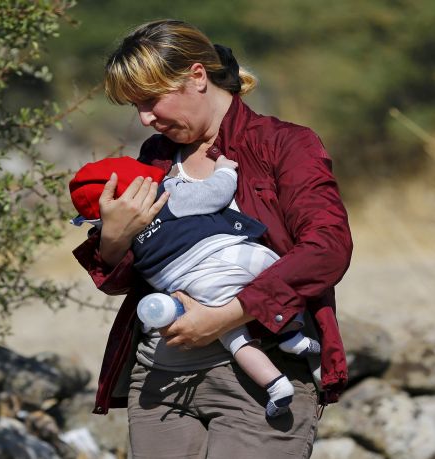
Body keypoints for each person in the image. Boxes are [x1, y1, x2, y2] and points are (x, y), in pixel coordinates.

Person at [72, 19, 352, 458]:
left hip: (261, 376)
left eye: (150, 100)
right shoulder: (154, 159)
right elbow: (132, 275)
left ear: (197, 76)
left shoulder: (284, 145)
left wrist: (225, 318)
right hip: (158, 381)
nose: (145, 118)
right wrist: (113, 239)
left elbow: (326, 249)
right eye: (135, 106)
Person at [70, 154, 322, 418]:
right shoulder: (168, 194)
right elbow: (217, 193)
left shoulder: (123, 233)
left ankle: (275, 385)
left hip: (195, 294)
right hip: (231, 263)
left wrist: (109, 236)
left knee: (233, 337)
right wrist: (224, 169)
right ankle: (291, 334)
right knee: (276, 270)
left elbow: (119, 279)